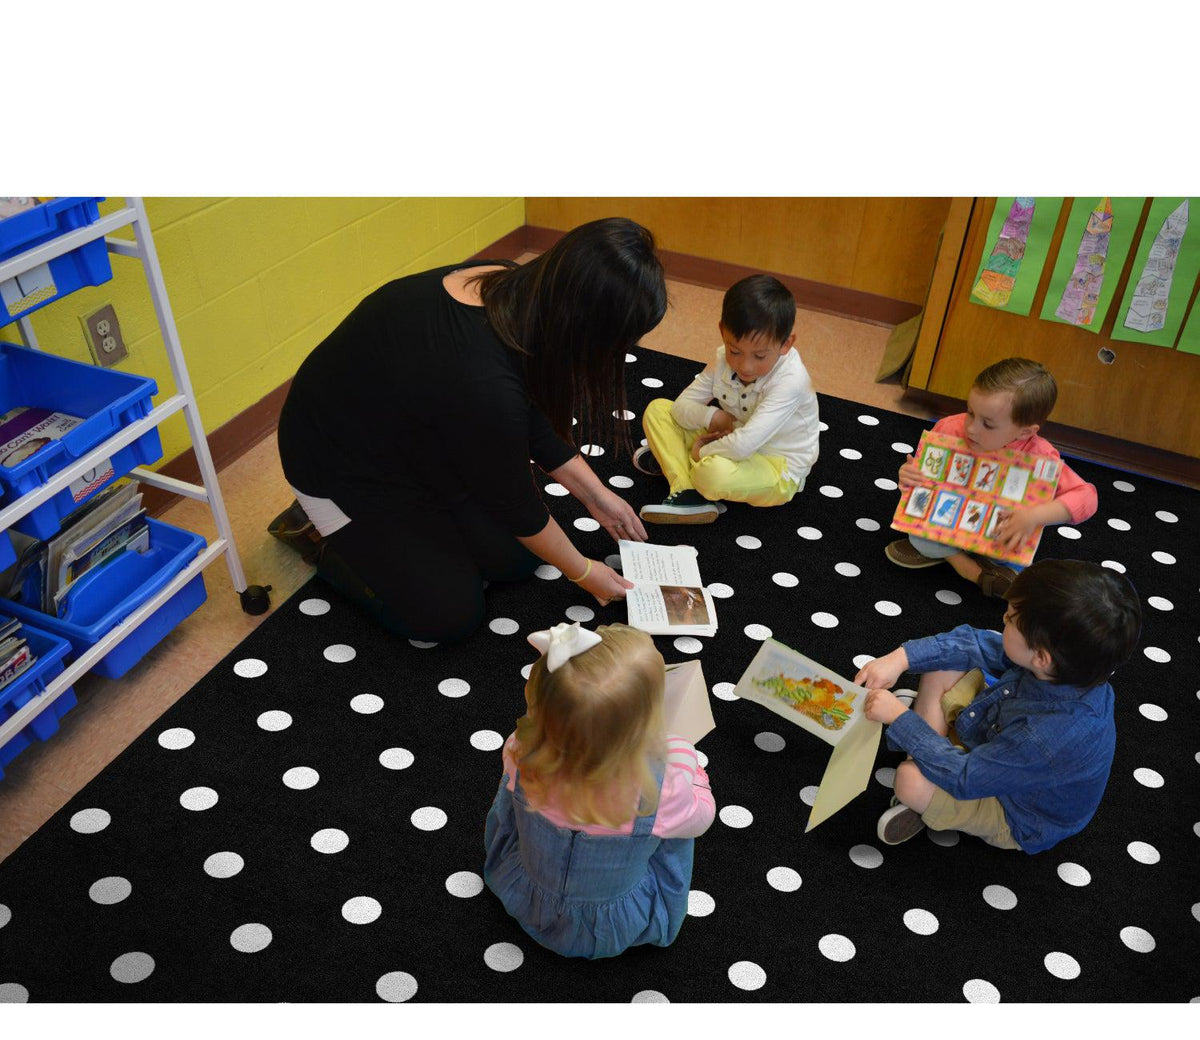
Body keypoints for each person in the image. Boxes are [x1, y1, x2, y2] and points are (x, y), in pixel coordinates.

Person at [273, 218, 668, 641]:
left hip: (419, 436)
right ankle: (317, 533)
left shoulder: (509, 285)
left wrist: (596, 495)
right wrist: (584, 572)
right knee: (447, 616)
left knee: (517, 560)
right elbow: (513, 499)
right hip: (338, 466)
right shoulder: (482, 382)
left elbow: (527, 410)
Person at [854, 559, 1141, 854]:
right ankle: (928, 751)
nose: (1003, 617)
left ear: (1041, 657)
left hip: (1016, 810)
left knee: (909, 781)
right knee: (945, 663)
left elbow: (966, 777)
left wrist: (901, 719)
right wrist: (900, 658)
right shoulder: (1064, 667)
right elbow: (975, 643)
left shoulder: (1044, 736)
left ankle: (925, 779)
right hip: (998, 743)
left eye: (1011, 619)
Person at [484, 622, 715, 959]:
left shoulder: (520, 751)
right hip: (610, 925)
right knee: (676, 826)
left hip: (526, 895)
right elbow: (702, 817)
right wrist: (685, 756)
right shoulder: (661, 788)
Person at [886, 357, 1097, 598]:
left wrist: (1034, 516)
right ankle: (968, 569)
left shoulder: (1041, 457)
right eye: (970, 412)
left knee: (1012, 553)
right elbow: (923, 483)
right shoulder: (949, 429)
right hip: (947, 520)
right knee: (918, 535)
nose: (972, 428)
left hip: (997, 534)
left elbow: (1087, 497)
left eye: (987, 423)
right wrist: (908, 477)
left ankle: (962, 559)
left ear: (1025, 431)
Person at [635, 274, 820, 524]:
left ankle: (680, 467)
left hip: (776, 466)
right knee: (658, 410)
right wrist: (714, 416)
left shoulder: (791, 381)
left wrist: (703, 452)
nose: (745, 366)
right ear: (722, 331)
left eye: (760, 356)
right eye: (735, 351)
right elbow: (681, 407)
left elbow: (743, 446)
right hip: (731, 437)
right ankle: (687, 490)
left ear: (786, 344)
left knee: (712, 474)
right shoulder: (723, 357)